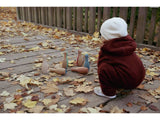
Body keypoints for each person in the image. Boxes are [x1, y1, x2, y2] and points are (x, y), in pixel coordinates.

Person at [94, 17, 145, 99]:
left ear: (109, 37)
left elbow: (101, 64)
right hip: (137, 78)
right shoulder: (126, 44)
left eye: (102, 35)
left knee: (104, 68)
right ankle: (121, 81)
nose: (101, 37)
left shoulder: (109, 49)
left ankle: (108, 93)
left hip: (128, 81)